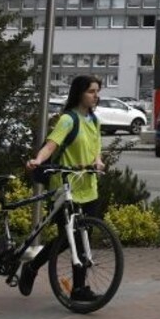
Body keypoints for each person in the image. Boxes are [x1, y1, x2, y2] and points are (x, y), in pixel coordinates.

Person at [23, 75, 106, 300]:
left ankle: (79, 289)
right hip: (66, 187)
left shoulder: (94, 120)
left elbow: (96, 146)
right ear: (80, 93)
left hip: (89, 187)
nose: (96, 96)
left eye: (97, 91)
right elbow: (51, 145)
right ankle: (32, 267)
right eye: (91, 91)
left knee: (83, 238)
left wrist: (98, 161)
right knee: (67, 240)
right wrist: (38, 160)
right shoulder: (68, 120)